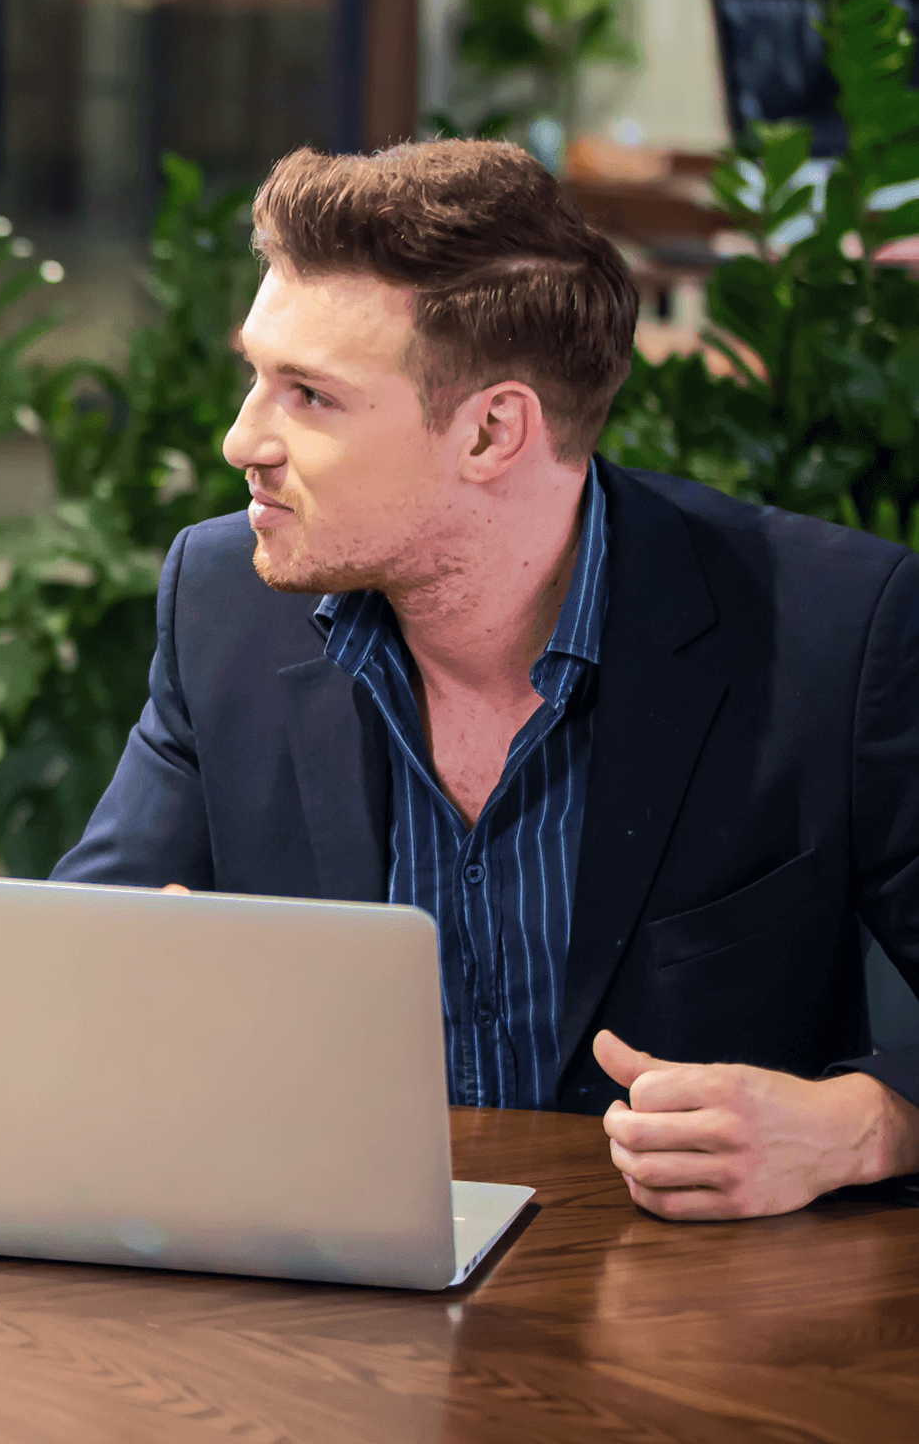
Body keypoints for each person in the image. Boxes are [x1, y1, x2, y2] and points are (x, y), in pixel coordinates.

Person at [57, 139, 919, 1219]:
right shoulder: (225, 601)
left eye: (308, 396)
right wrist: (128, 993)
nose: (242, 439)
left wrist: (868, 1122)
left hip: (685, 1319)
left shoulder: (831, 629)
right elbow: (78, 959)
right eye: (254, 376)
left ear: (491, 429)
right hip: (332, 1287)